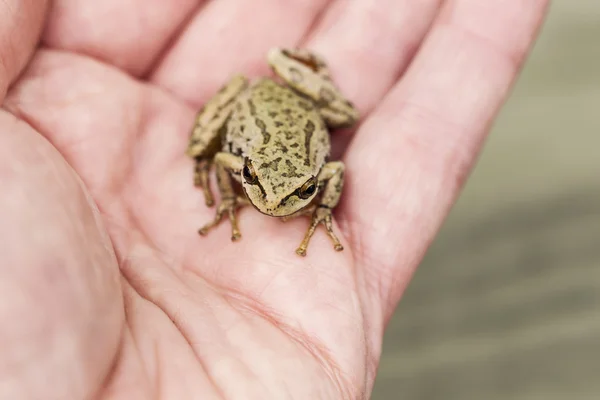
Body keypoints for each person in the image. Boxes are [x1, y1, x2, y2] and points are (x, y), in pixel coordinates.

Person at [0, 1, 549, 398]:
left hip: (294, 122)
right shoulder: (246, 168)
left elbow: (331, 173)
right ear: (254, 175)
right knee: (203, 144)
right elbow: (224, 159)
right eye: (261, 189)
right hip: (254, 106)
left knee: (348, 118)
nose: (273, 204)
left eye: (295, 196)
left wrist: (319, 207)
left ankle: (303, 74)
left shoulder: (316, 177)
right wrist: (226, 187)